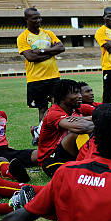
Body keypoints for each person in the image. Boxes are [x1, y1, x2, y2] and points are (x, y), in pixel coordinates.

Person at [17, 8, 65, 145]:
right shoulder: (23, 37)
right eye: (34, 18)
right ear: (26, 20)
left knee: (58, 106)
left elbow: (61, 48)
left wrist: (42, 51)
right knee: (42, 108)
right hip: (36, 79)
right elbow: (31, 57)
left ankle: (57, 133)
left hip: (54, 76)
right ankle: (42, 135)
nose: (38, 20)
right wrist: (52, 52)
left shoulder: (49, 33)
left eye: (39, 18)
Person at [37, 79, 95, 177]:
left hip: (69, 156)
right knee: (77, 133)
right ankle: (91, 163)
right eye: (75, 93)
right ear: (62, 97)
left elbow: (109, 111)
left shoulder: (77, 107)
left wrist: (90, 118)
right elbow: (82, 128)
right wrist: (98, 121)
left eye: (79, 92)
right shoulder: (53, 113)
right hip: (52, 161)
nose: (80, 96)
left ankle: (94, 162)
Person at [0, 87, 37, 183]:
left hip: (6, 150)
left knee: (36, 153)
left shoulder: (1, 115)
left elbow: (1, 135)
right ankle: (13, 174)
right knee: (0, 160)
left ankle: (56, 165)